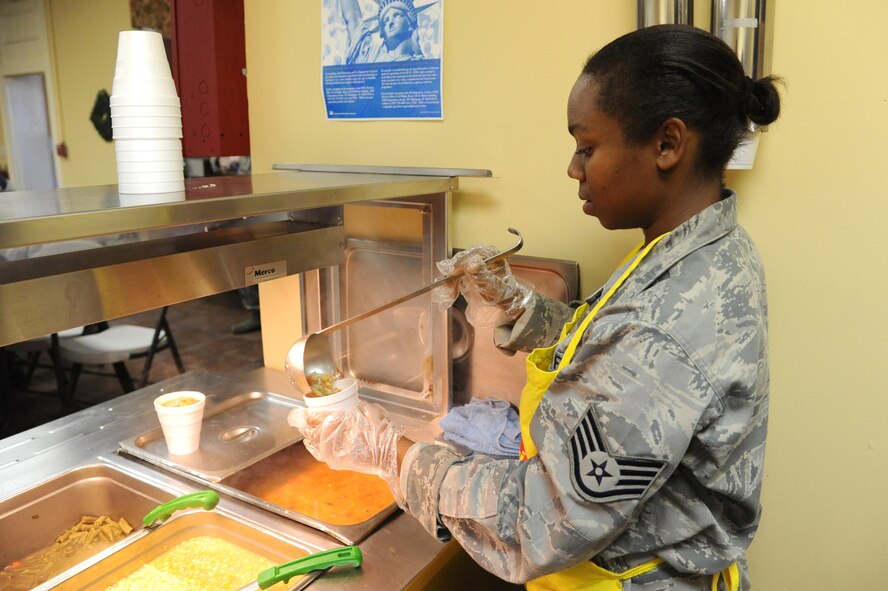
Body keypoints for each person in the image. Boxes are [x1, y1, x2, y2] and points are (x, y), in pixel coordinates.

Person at [290, 24, 782, 591]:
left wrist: (386, 450)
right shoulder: (702, 251)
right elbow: (608, 352)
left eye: (587, 146)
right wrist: (520, 305)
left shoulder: (665, 325)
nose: (574, 168)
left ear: (667, 144)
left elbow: (543, 522)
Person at [339, 0, 424, 64]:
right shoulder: (371, 57)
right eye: (385, 21)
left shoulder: (421, 68)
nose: (390, 22)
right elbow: (352, 18)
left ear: (410, 24)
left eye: (397, 15)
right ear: (382, 33)